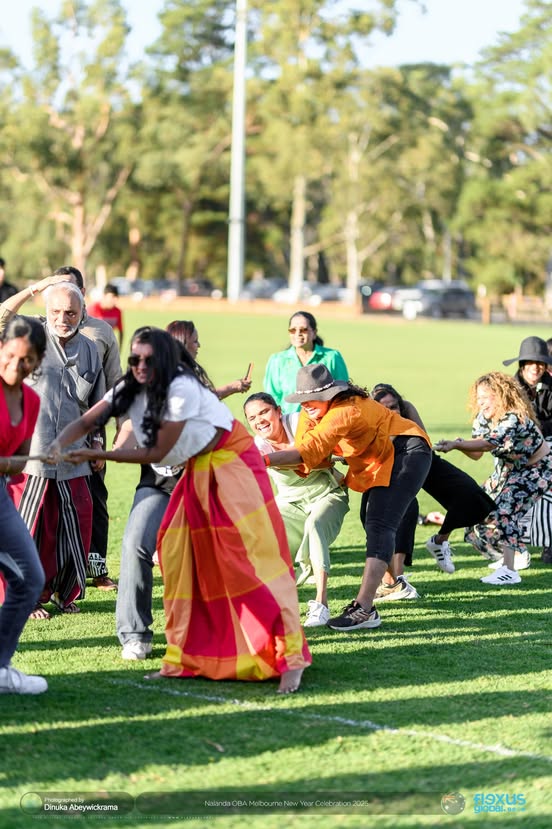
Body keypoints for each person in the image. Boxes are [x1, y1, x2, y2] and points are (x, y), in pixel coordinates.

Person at [47, 326, 311, 692]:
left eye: (148, 360)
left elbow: (156, 452)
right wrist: (58, 444)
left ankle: (289, 657)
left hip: (230, 461)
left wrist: (96, 453)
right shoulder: (130, 386)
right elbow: (91, 418)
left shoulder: (180, 390)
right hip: (187, 469)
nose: (139, 366)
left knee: (241, 561)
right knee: (180, 559)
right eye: (134, 359)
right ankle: (185, 655)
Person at [114, 320, 252, 662]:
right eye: (194, 341)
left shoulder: (196, 387)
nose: (198, 347)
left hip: (199, 482)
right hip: (158, 485)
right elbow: (130, 422)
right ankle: (134, 634)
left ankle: (219, 631)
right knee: (135, 544)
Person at [261, 364, 433, 632]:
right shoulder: (312, 412)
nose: (305, 405)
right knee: (370, 518)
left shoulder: (345, 410)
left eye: (311, 398)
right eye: (302, 400)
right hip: (379, 459)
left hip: (406, 450)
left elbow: (309, 451)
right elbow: (310, 455)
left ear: (330, 394)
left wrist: (263, 460)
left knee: (379, 523)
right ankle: (392, 584)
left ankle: (365, 609)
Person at [6, 282, 105, 616]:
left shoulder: (91, 349)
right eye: (56, 312)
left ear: (82, 313)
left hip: (74, 456)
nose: (63, 318)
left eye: (71, 312)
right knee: (28, 527)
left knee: (76, 523)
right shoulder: (27, 338)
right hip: (30, 456)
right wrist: (35, 288)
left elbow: (98, 404)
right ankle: (28, 597)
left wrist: (98, 442)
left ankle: (66, 593)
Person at [370, 383, 495, 593]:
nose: (391, 411)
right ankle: (395, 581)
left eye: (394, 406)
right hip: (388, 467)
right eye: (385, 408)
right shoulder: (370, 420)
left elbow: (422, 441)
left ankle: (440, 540)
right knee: (407, 509)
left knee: (471, 494)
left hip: (419, 459)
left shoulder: (407, 409)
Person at [434, 371, 552, 586]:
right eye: (478, 398)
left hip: (538, 469)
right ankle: (441, 542)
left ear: (500, 396)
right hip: (509, 470)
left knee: (506, 509)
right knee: (476, 502)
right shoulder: (483, 419)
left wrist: (457, 443)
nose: (481, 403)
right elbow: (477, 453)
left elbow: (488, 444)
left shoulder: (514, 417)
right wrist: (459, 445)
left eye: (486, 397)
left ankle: (510, 569)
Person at [244, 392, 349, 627]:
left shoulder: (299, 423)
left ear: (279, 411)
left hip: (327, 493)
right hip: (290, 502)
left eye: (264, 412)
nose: (259, 420)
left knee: (316, 526)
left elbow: (319, 450)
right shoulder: (257, 445)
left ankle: (321, 604)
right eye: (252, 418)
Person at [53, 266, 122, 591]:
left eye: (72, 296)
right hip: (45, 433)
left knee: (93, 498)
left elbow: (114, 385)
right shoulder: (42, 330)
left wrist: (117, 434)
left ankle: (96, 568)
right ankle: (49, 577)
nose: (64, 312)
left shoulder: (101, 333)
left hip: (91, 431)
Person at [0, 316, 48, 694]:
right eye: (10, 355)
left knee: (30, 577)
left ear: (38, 360)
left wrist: (46, 458)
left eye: (27, 359)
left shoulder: (31, 401)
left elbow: (15, 461)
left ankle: (0, 668)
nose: (17, 365)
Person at [503, 336, 552, 567]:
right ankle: (512, 551)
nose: (535, 367)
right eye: (530, 362)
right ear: (522, 365)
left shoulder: (550, 386)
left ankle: (548, 543)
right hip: (516, 449)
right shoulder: (509, 390)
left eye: (540, 363)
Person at [263, 311, 349, 414]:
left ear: (314, 332)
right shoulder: (276, 360)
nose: (298, 333)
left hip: (323, 423)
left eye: (303, 329)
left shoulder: (332, 357)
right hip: (288, 423)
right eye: (293, 330)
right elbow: (272, 397)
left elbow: (342, 392)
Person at [166, 320, 252, 398]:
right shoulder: (178, 377)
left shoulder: (173, 370)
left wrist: (234, 386)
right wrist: (232, 387)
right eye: (195, 341)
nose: (199, 345)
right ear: (182, 344)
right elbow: (202, 400)